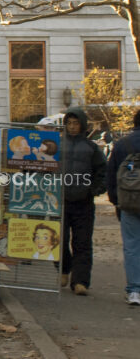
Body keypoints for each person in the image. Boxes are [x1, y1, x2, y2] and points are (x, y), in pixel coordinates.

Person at [60, 107, 107, 296]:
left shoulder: (91, 148)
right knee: (59, 239)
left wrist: (94, 190)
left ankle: (80, 281)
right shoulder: (57, 145)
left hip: (83, 202)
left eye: (75, 123)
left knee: (82, 242)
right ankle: (64, 268)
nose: (72, 127)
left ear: (82, 125)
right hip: (60, 201)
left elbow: (103, 171)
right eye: (69, 123)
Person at [107, 109, 140, 306]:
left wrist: (116, 200)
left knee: (132, 246)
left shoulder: (122, 144)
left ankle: (135, 290)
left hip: (128, 201)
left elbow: (111, 175)